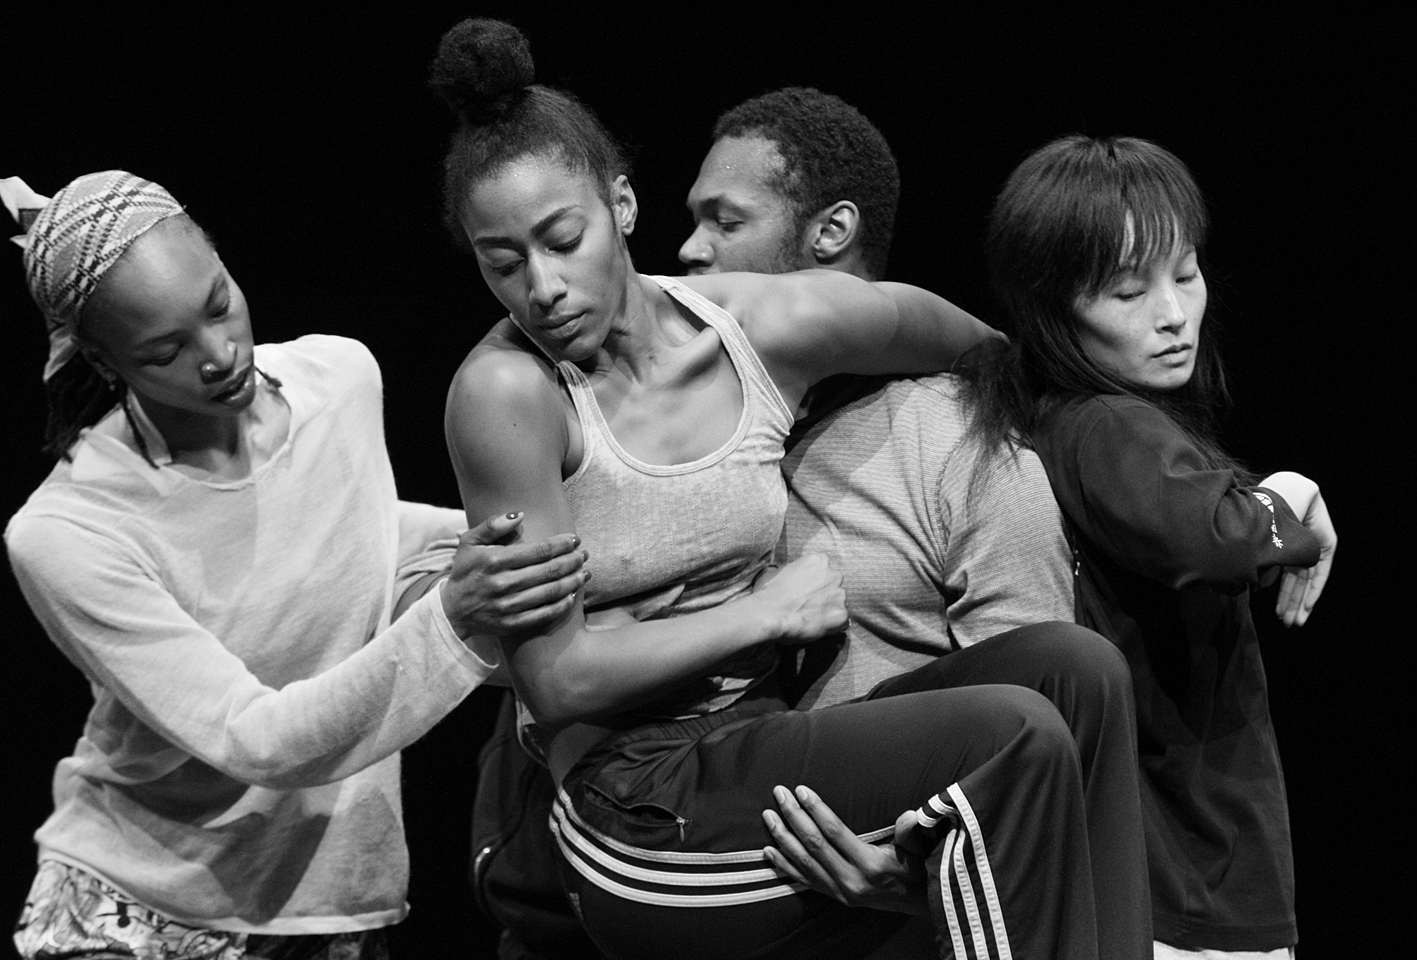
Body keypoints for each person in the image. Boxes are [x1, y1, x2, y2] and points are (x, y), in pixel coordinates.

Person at [435, 18, 1143, 960]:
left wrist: (1210, 479)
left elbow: (989, 354)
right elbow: (559, 681)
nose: (543, 286)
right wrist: (763, 614)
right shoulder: (508, 394)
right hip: (636, 810)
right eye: (502, 263)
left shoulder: (752, 328)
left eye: (564, 240)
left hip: (757, 749)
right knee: (1013, 734)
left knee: (1078, 673)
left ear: (623, 204)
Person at [1, 171, 586, 960]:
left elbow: (358, 536)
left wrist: (537, 534)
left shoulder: (339, 380)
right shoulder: (70, 530)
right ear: (103, 359)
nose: (218, 354)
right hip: (141, 908)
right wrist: (453, 615)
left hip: (328, 907)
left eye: (219, 303)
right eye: (166, 350)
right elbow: (257, 739)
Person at [972, 135, 1337, 959]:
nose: (1172, 314)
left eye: (1187, 273)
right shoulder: (1105, 423)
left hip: (1166, 879)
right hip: (1185, 890)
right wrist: (1292, 493)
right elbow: (1220, 540)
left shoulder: (1071, 420)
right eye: (1128, 291)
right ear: (1051, 309)